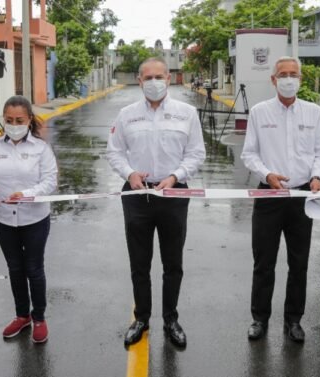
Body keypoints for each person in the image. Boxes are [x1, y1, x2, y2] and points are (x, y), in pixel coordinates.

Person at [106, 57, 206, 348]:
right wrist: (130, 173)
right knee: (140, 262)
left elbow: (196, 153)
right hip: (137, 195)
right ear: (139, 81)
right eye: (147, 78)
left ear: (170, 77)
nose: (153, 83)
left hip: (174, 194)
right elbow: (114, 152)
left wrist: (176, 176)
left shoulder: (186, 113)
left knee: (173, 262)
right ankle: (141, 318)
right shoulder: (126, 115)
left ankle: (171, 319)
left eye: (158, 77)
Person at [240, 56, 320, 342]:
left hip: (302, 195)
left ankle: (294, 320)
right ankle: (259, 319)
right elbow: (249, 154)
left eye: (293, 74)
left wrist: (316, 176)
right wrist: (268, 175)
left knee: (299, 262)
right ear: (273, 79)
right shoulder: (259, 112)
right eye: (283, 74)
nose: (289, 79)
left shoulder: (313, 112)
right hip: (269, 195)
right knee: (263, 262)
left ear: (300, 78)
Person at [0, 95, 58, 344]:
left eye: (19, 120)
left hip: (34, 219)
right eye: (9, 120)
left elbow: (50, 182)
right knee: (15, 268)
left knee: (33, 268)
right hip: (4, 219)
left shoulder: (41, 149)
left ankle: (39, 317)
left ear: (29, 119)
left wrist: (27, 194)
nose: (13, 124)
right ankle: (22, 315)